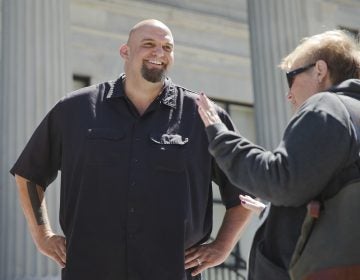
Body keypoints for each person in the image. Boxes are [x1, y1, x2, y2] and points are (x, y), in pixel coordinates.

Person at [10, 19, 252, 280]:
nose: (159, 53)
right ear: (125, 51)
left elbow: (246, 188)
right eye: (148, 44)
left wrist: (222, 247)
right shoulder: (75, 109)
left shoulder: (203, 115)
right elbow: (30, 173)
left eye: (167, 47)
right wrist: (43, 236)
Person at [196, 30, 360, 280]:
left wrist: (220, 137)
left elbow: (281, 181)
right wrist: (276, 211)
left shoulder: (327, 106)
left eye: (290, 78)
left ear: (319, 70)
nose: (289, 94)